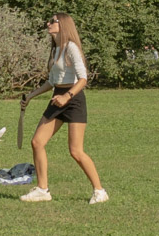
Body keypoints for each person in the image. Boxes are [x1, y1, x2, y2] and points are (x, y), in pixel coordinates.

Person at [18, 14, 107, 204]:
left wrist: (67, 96)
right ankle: (43, 190)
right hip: (57, 98)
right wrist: (31, 96)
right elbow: (52, 81)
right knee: (37, 142)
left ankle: (99, 191)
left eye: (52, 21)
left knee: (76, 151)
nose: (48, 24)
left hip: (73, 100)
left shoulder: (71, 47)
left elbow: (83, 79)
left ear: (63, 25)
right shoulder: (55, 50)